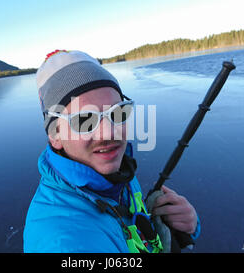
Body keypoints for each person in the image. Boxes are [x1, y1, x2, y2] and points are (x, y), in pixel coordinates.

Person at [23, 50, 200, 253]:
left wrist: (183, 224)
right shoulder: (64, 242)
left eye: (118, 112)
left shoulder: (116, 172)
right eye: (84, 120)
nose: (108, 132)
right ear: (56, 135)